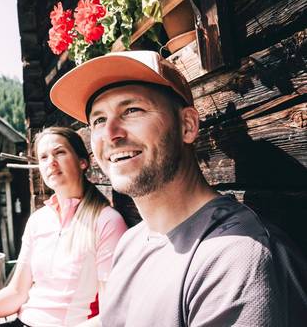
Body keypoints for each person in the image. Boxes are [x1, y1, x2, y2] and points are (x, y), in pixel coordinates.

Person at [49, 50, 307, 326]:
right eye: (98, 120)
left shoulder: (236, 258)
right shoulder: (131, 242)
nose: (111, 134)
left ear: (187, 125)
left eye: (132, 110)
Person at [0, 127, 128, 327]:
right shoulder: (38, 221)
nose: (51, 163)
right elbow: (16, 293)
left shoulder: (106, 222)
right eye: (43, 157)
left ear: (83, 162)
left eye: (60, 152)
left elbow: (112, 312)